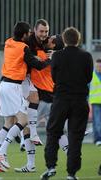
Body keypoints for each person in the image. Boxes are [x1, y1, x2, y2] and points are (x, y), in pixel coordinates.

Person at [0, 21, 51, 172]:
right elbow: (38, 65)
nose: (30, 35)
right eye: (28, 33)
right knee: (23, 121)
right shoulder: (24, 48)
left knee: (9, 121)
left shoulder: (8, 42)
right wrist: (49, 59)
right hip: (13, 87)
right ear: (24, 35)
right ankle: (1, 152)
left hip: (3, 85)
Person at [40, 27, 93, 180]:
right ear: (78, 40)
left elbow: (54, 77)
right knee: (75, 136)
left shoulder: (57, 57)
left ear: (63, 40)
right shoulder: (87, 56)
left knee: (53, 132)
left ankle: (50, 166)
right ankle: (72, 173)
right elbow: (88, 78)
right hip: (80, 100)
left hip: (61, 100)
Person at [14, 24, 68, 173]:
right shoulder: (52, 54)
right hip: (49, 95)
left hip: (43, 96)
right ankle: (69, 153)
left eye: (49, 37)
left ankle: (29, 144)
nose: (46, 37)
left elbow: (35, 63)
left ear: (54, 44)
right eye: (43, 32)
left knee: (25, 124)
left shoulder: (49, 55)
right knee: (56, 129)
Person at [89, 59, 101, 146]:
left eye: (100, 66)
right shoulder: (91, 75)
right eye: (97, 66)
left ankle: (97, 138)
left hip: (95, 101)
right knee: (97, 121)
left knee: (97, 121)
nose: (99, 67)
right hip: (95, 101)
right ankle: (98, 139)